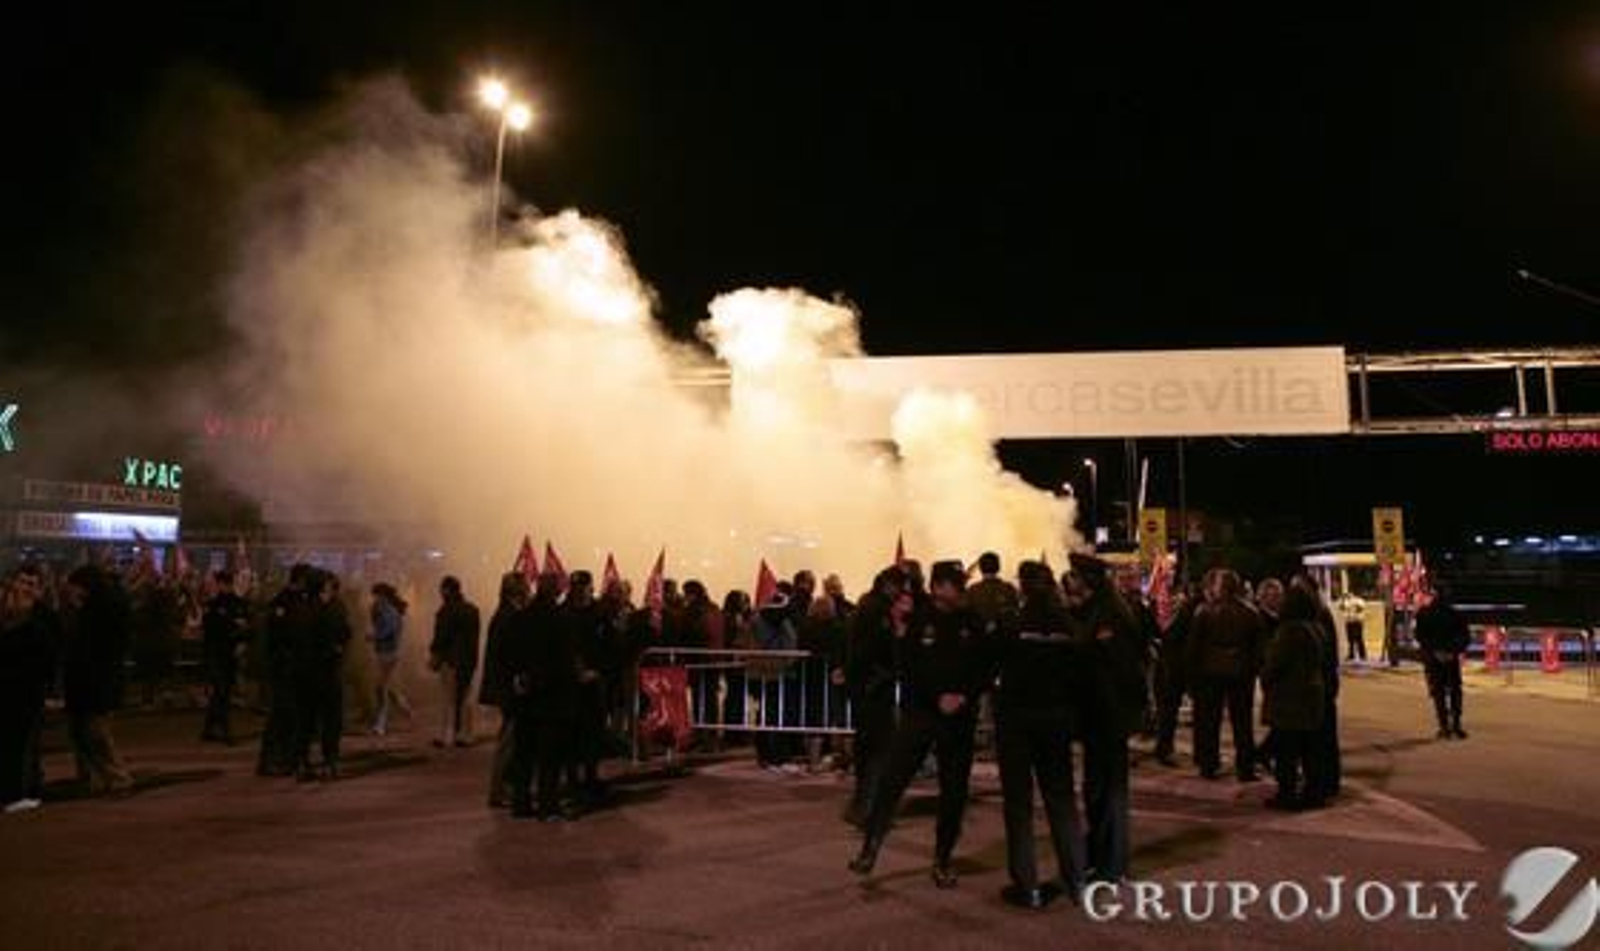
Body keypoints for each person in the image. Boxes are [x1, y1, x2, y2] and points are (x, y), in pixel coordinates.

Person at [850, 560, 997, 889]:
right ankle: (869, 849)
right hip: (921, 714)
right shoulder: (919, 620)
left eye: (958, 584)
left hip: (959, 718)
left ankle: (942, 859)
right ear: (937, 587)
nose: (958, 591)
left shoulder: (973, 622)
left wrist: (964, 695)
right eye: (951, 584)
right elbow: (909, 667)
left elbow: (986, 667)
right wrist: (937, 698)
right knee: (892, 781)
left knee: (954, 792)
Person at [995, 561, 1086, 909]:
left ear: (1023, 586)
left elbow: (994, 665)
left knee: (1018, 804)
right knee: (1061, 799)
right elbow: (1079, 674)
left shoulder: (1011, 624)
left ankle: (1028, 885)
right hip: (1056, 722)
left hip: (1018, 723)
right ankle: (1076, 880)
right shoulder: (1069, 625)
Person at [1064, 553, 1144, 884]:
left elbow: (1115, 667)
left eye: (1076, 576)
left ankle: (1112, 863)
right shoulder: (1099, 608)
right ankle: (1100, 855)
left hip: (1108, 715)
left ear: (1089, 579)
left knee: (1109, 791)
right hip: (1101, 714)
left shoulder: (1111, 614)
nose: (1072, 581)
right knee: (1097, 790)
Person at [505, 573, 579, 821]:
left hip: (525, 695)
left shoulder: (520, 617)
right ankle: (548, 807)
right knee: (549, 757)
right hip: (553, 697)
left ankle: (521, 803)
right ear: (556, 590)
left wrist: (520, 680)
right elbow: (565, 661)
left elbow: (511, 655)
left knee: (524, 754)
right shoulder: (561, 619)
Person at [62, 564, 135, 795]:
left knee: (95, 732)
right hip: (92, 680)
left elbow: (92, 648)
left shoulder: (100, 610)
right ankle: (96, 777)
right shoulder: (99, 607)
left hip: (96, 681)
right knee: (83, 732)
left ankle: (117, 778)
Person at [1186, 568, 1264, 782]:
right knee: (1242, 722)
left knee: (1210, 721)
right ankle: (1245, 767)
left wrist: (1193, 676)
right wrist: (1252, 669)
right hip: (1241, 673)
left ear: (1220, 588)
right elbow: (1259, 648)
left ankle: (1209, 765)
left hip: (1210, 673)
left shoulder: (1204, 611)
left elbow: (1193, 647)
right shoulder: (1251, 612)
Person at [844, 566, 906, 826]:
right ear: (889, 585)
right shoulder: (877, 610)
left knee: (870, 749)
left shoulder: (868, 605)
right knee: (877, 750)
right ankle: (869, 810)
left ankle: (863, 806)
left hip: (868, 686)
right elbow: (872, 649)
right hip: (874, 686)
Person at [1259, 586, 1326, 810]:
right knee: (1309, 750)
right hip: (1312, 695)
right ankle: (1314, 792)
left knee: (1286, 752)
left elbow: (1275, 664)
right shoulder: (1317, 628)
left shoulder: (1289, 631)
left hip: (1289, 697)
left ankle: (1286, 794)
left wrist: (1265, 678)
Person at [1, 566, 56, 812]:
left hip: (27, 690)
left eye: (32, 584)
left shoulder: (43, 617)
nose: (26, 588)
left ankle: (21, 793)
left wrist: (51, 691)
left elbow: (48, 654)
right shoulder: (7, 612)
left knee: (22, 744)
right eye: (23, 582)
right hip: (9, 688)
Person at [295, 571, 351, 781]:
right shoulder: (320, 608)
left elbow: (345, 631)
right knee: (318, 720)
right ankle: (317, 762)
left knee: (319, 720)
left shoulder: (329, 606)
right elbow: (343, 633)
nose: (330, 587)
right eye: (327, 584)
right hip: (318, 671)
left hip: (318, 671)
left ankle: (317, 761)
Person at [480, 572, 529, 809]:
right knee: (509, 741)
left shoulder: (504, 614)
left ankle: (502, 788)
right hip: (509, 688)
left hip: (504, 686)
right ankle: (499, 790)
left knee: (510, 738)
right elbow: (509, 656)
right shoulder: (509, 616)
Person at [1413, 582, 1470, 740]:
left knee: (1438, 693)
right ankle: (1456, 725)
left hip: (1433, 658)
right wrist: (1452, 651)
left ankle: (1444, 727)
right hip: (1451, 659)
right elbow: (1464, 637)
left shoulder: (1424, 613)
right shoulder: (1456, 614)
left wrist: (1435, 651)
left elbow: (1420, 636)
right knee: (1455, 691)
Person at [430, 576, 481, 748]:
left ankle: (447, 735)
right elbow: (475, 639)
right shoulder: (472, 610)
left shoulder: (446, 611)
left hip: (450, 660)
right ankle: (466, 735)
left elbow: (441, 637)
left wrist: (434, 656)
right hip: (467, 660)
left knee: (448, 699)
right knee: (466, 698)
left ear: (447, 590)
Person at [200, 570, 251, 744]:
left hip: (231, 654)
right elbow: (209, 630)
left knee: (223, 692)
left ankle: (208, 729)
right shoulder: (213, 604)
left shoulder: (239, 603)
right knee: (222, 692)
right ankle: (226, 731)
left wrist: (242, 641)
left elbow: (247, 627)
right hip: (216, 654)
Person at [368, 582, 411, 736]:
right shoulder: (382, 609)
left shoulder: (390, 612)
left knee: (381, 689)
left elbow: (388, 631)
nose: (374, 598)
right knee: (386, 687)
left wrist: (373, 636)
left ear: (383, 596)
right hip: (384, 653)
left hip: (389, 654)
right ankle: (404, 707)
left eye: (376, 595)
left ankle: (381, 724)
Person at [968, 552, 1020, 629]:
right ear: (998, 567)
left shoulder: (973, 590)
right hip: (1005, 636)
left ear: (980, 568)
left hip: (979, 636)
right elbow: (1014, 612)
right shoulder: (1009, 588)